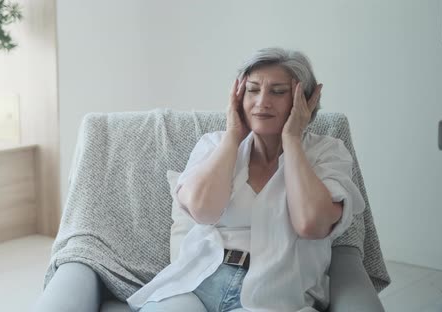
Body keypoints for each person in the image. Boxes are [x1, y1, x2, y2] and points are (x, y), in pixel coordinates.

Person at [126, 47, 365, 312]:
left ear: (305, 99)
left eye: (278, 91)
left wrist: (293, 140)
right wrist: (232, 136)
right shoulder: (214, 144)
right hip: (198, 281)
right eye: (253, 89)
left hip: (275, 291)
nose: (262, 101)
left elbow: (310, 224)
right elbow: (203, 211)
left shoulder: (327, 153)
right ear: (238, 96)